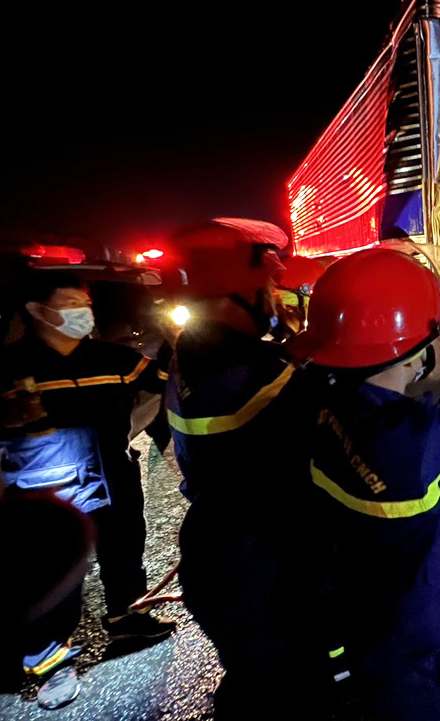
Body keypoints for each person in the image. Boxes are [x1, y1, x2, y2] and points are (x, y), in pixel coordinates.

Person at [290, 248, 440, 720]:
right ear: (411, 350)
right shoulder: (413, 441)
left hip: (342, 603)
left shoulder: (311, 395)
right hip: (406, 636)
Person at [0, 271, 174, 709]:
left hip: (114, 476)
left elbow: (170, 387)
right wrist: (3, 421)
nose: (82, 312)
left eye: (86, 303)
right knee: (53, 576)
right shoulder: (2, 370)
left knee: (124, 552)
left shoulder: (115, 359)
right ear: (38, 311)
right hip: (44, 491)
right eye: (69, 303)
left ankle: (128, 620)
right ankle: (50, 663)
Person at [159, 217, 323, 718]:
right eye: (271, 285)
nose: (279, 296)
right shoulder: (255, 378)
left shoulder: (194, 352)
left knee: (254, 681)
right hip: (268, 571)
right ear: (239, 294)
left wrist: (297, 349)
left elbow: (258, 378)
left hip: (220, 555)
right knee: (287, 692)